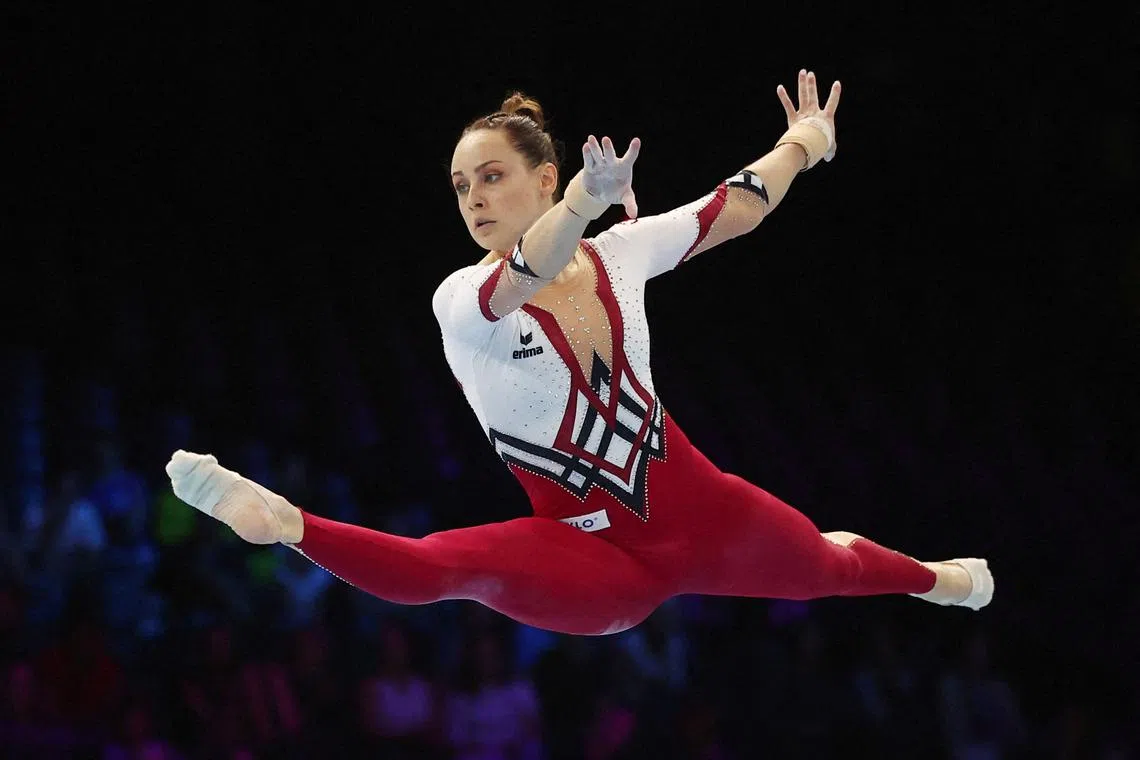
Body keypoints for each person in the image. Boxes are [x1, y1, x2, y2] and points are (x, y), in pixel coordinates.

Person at [166, 69, 993, 638]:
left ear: (544, 174)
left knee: (829, 569)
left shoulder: (621, 252)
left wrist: (807, 141)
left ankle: (944, 580)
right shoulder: (461, 301)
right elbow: (519, 277)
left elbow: (735, 209)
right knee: (448, 568)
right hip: (586, 553)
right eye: (461, 187)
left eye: (490, 177)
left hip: (702, 512)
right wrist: (579, 205)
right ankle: (283, 521)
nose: (475, 199)